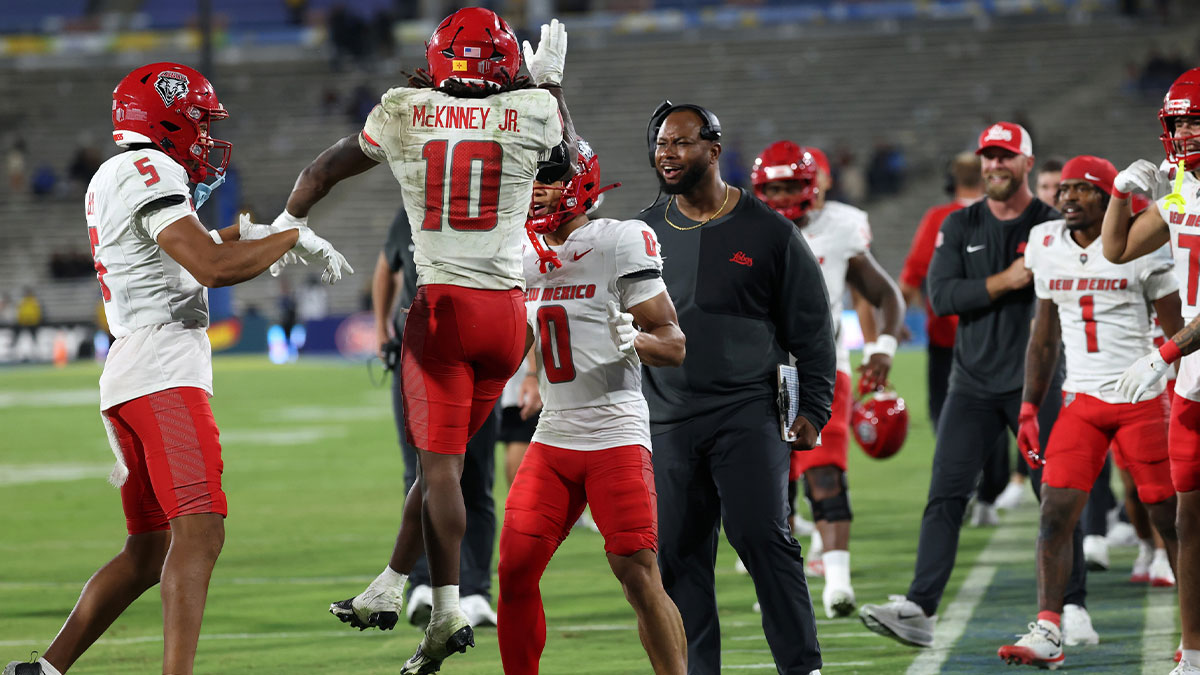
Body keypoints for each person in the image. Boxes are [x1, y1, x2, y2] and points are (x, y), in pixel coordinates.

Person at [2, 62, 349, 675]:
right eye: (200, 122)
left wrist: (254, 231)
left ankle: (46, 669)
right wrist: (291, 237)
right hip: (163, 369)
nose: (208, 137)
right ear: (167, 119)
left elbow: (184, 254)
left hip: (132, 371)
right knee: (201, 531)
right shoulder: (152, 167)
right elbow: (210, 269)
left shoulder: (118, 173)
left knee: (147, 550)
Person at [269, 10, 575, 671]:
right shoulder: (530, 108)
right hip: (505, 318)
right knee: (452, 461)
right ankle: (388, 584)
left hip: (441, 310)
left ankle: (447, 607)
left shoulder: (405, 110)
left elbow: (323, 169)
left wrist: (288, 222)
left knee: (438, 469)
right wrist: (550, 82)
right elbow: (568, 158)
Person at [861, 121, 1095, 649]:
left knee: (1055, 498)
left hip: (1038, 383)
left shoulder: (1052, 225)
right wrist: (1007, 281)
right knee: (944, 495)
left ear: (1027, 164)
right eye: (988, 157)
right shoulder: (960, 223)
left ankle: (1073, 606)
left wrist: (982, 290)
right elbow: (942, 298)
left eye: (1005, 157)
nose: (994, 166)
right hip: (971, 383)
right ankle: (920, 609)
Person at [643, 101, 835, 675]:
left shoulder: (770, 232)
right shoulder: (641, 231)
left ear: (714, 150)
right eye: (660, 144)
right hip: (667, 418)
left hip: (748, 412)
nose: (667, 154)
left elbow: (812, 329)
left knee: (762, 537)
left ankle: (802, 667)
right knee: (678, 556)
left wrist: (816, 409)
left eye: (679, 142)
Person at [497, 137, 687, 674]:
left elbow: (674, 344)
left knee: (637, 572)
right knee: (514, 569)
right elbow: (523, 343)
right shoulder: (521, 251)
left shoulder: (618, 241)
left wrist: (638, 339)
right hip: (554, 434)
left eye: (549, 178)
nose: (536, 190)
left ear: (578, 181)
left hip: (615, 432)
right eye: (532, 178)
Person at [997, 155, 1181, 669]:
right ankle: (1050, 630)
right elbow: (1044, 335)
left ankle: (1197, 636)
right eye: (1066, 189)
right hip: (1080, 399)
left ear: (1108, 197)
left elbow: (1176, 330)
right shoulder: (1046, 244)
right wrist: (1030, 405)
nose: (1069, 197)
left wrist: (1166, 380)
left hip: (1141, 398)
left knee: (1172, 520)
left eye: (1083, 190)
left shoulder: (1142, 248)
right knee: (1054, 513)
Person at [750, 140, 905, 618]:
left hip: (820, 370)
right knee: (770, 491)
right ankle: (783, 585)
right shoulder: (741, 230)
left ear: (809, 187)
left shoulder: (838, 227)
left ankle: (838, 580)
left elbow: (885, 293)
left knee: (825, 472)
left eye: (788, 186)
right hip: (760, 375)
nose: (779, 197)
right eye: (770, 188)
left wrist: (882, 348)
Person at [330, 204, 502, 633]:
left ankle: (474, 590)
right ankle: (425, 585)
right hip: (418, 357)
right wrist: (383, 329)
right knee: (424, 474)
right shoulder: (408, 211)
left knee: (472, 476)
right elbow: (387, 267)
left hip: (471, 356)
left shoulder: (490, 209)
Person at [1100, 66, 1200, 674]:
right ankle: (1193, 654)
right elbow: (1116, 249)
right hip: (1194, 381)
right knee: (1190, 525)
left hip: (1183, 361)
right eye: (1178, 122)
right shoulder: (1182, 189)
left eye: (1194, 120)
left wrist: (1161, 353)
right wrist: (1119, 192)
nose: (1184, 133)